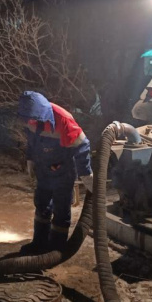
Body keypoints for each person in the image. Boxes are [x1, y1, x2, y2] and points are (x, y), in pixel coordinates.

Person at [17, 91, 93, 254]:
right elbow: (32, 142)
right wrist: (30, 159)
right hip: (43, 169)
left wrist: (85, 173)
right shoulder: (29, 117)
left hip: (63, 170)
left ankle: (56, 249)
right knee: (42, 204)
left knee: (61, 207)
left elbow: (82, 146)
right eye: (27, 119)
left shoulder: (63, 119)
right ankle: (39, 243)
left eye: (33, 119)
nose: (30, 122)